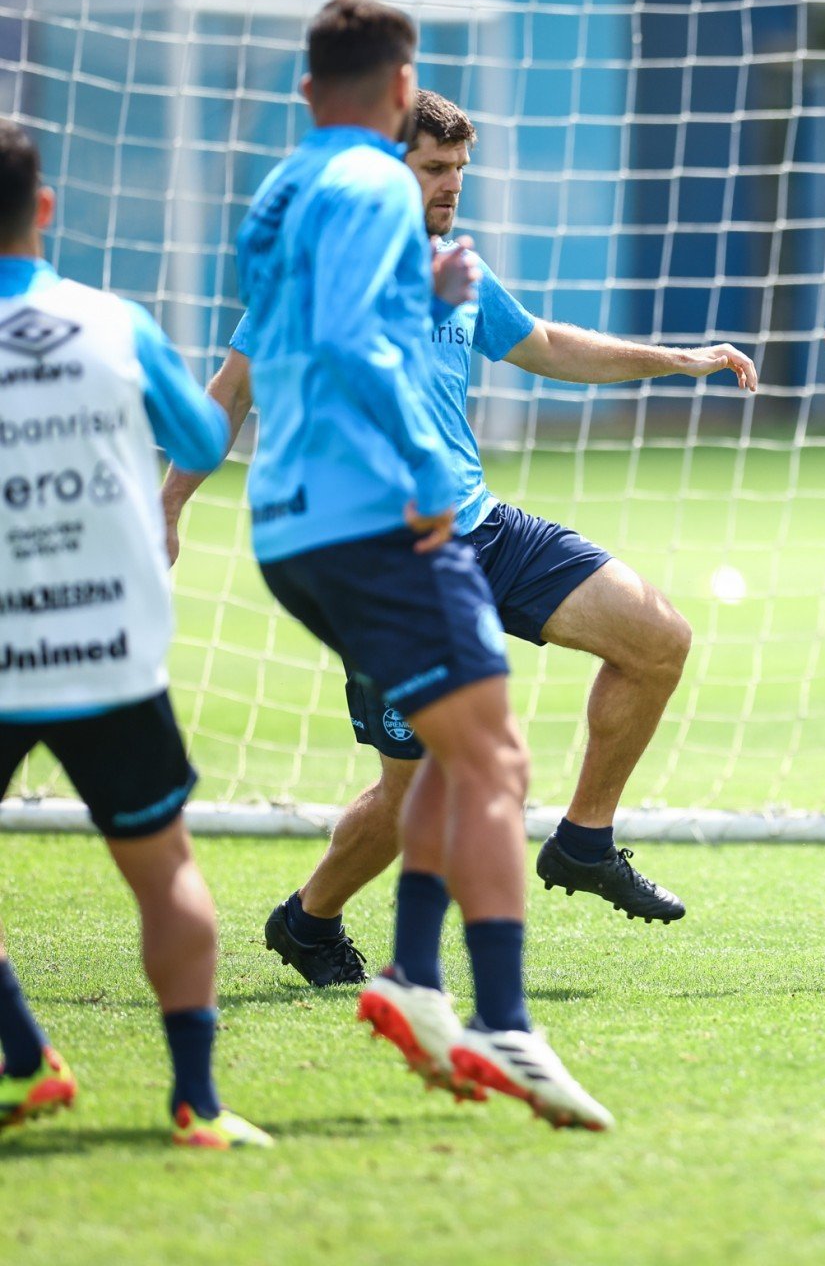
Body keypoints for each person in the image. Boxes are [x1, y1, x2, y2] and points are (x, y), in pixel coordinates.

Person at [164, 88, 756, 988]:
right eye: (434, 170)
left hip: (481, 527)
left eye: (458, 172)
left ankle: (586, 841)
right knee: (418, 790)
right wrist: (168, 506)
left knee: (659, 639)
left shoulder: (457, 266)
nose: (451, 188)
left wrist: (676, 359)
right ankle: (309, 919)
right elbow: (232, 393)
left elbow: (549, 345)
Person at [233, 0, 608, 1129]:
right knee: (493, 765)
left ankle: (409, 973)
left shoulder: (285, 194)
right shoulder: (375, 192)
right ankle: (497, 1018)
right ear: (401, 96)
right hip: (385, 517)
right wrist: (413, 476)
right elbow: (355, 347)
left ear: (311, 93)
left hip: (290, 526)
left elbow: (304, 337)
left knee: (459, 751)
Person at [0, 120, 267, 1148]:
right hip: (105, 648)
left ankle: (25, 1056)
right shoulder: (110, 321)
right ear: (47, 210)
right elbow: (203, 437)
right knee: (165, 869)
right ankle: (197, 1103)